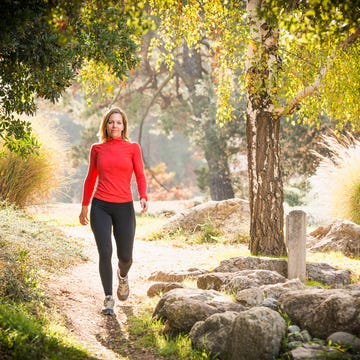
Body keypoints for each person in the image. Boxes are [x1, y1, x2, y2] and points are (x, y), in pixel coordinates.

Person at [79, 107, 148, 315]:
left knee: (125, 256)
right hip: (101, 205)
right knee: (105, 251)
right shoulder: (97, 148)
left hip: (124, 207)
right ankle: (108, 298)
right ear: (106, 125)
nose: (114, 126)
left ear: (124, 126)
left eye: (118, 122)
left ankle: (123, 276)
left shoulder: (132, 148)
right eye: (111, 122)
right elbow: (90, 178)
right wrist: (85, 206)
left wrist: (143, 196)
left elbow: (140, 174)